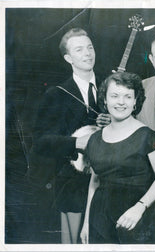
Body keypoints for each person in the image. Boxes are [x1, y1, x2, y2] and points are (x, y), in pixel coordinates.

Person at [30, 28, 109, 243]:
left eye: (90, 47)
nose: (87, 53)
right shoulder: (55, 94)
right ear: (68, 58)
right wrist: (77, 142)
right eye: (79, 49)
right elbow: (40, 142)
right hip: (73, 185)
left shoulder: (111, 86)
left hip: (110, 180)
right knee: (74, 243)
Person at [79, 72, 155, 244]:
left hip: (136, 218)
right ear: (105, 100)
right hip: (100, 219)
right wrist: (86, 223)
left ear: (135, 101)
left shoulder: (149, 137)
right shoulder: (94, 139)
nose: (121, 102)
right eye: (114, 96)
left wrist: (140, 207)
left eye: (128, 96)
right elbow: (95, 181)